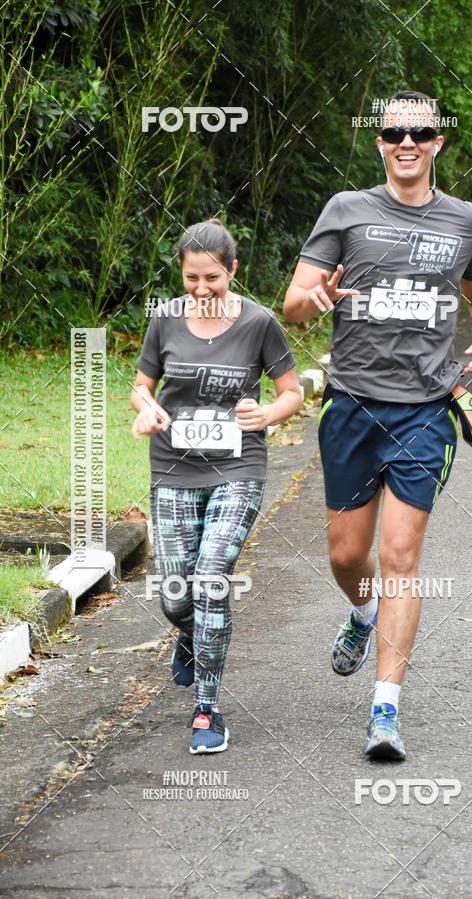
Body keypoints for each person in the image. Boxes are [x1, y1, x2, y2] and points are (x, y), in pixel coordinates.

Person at [283, 90, 472, 760]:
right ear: (379, 141)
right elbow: (293, 304)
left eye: (420, 132)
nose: (406, 141)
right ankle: (362, 612)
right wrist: (313, 299)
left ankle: (385, 713)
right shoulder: (345, 210)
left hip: (426, 411)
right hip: (352, 405)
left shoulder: (465, 220)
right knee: (349, 555)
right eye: (393, 132)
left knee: (403, 557)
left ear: (438, 142)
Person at [131, 220, 302, 753]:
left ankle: (207, 710)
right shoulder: (164, 320)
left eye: (212, 278)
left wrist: (266, 413)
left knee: (210, 579)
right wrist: (148, 409)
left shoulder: (259, 322)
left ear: (232, 269)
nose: (202, 290)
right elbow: (141, 387)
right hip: (173, 470)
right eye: (190, 279)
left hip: (237, 469)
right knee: (176, 597)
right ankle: (191, 634)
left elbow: (291, 393)